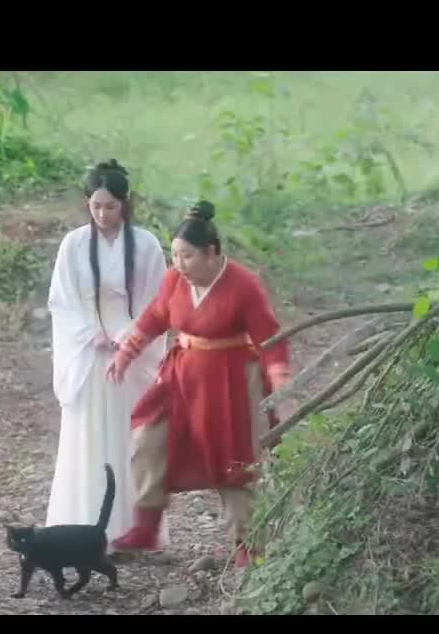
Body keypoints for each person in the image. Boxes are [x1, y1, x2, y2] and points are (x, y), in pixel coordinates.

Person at [105, 200, 294, 567]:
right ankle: (146, 525)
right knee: (149, 437)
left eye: (187, 256)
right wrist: (126, 353)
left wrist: (280, 385)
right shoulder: (174, 280)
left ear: (211, 253)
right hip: (181, 376)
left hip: (229, 383)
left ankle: (248, 543)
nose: (179, 264)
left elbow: (270, 338)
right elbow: (155, 316)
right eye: (175, 255)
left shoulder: (243, 285)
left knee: (234, 459)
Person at [44, 159, 170, 550]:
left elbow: (157, 304)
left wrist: (130, 338)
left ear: (125, 204)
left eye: (110, 206)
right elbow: (62, 302)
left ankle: (134, 530)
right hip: (89, 352)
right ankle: (81, 532)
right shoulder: (73, 244)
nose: (102, 214)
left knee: (131, 440)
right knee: (88, 441)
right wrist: (91, 334)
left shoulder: (146, 245)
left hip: (132, 352)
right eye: (95, 206)